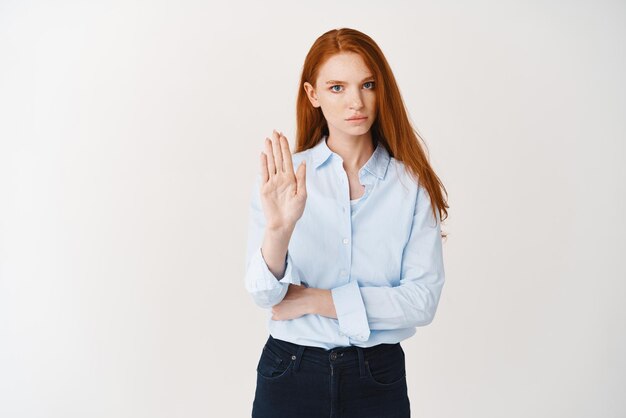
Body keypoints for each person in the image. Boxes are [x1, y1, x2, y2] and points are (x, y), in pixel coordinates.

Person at [244, 27, 449, 418]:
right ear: (313, 95)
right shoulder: (284, 178)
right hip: (289, 371)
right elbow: (265, 297)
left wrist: (316, 300)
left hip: (377, 377)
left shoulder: (409, 185)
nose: (356, 101)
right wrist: (279, 230)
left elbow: (421, 301)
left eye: (367, 84)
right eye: (337, 87)